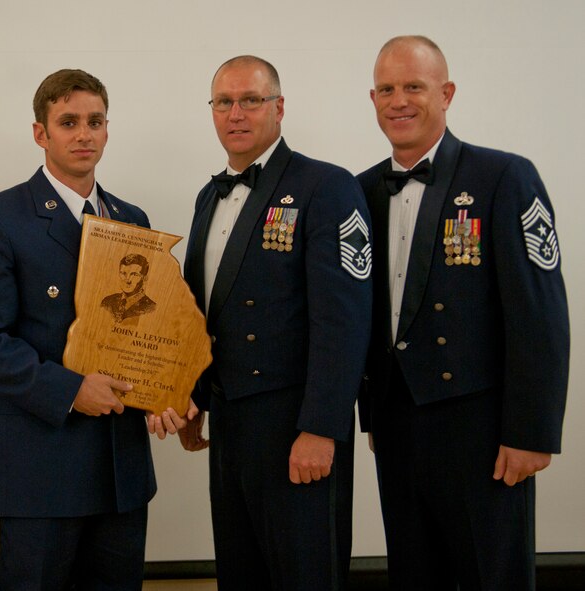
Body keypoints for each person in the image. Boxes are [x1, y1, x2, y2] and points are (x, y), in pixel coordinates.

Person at [0, 68, 190, 590]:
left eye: (94, 121)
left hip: (119, 471)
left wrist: (169, 391)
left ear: (108, 129)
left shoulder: (133, 218)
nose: (83, 134)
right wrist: (71, 389)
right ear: (41, 133)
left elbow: (149, 333)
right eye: (68, 122)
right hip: (42, 472)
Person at [358, 35, 569, 590]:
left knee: (490, 575)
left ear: (446, 93)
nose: (398, 100)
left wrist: (532, 431)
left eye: (414, 86)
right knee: (413, 573)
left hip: (482, 428)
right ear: (372, 99)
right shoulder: (360, 190)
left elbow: (540, 314)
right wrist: (370, 413)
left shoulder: (503, 177)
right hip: (397, 422)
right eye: (386, 89)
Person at [179, 55, 373, 590]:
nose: (235, 113)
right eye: (224, 102)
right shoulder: (208, 196)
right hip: (232, 421)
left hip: (296, 423)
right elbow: (202, 311)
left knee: (305, 572)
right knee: (242, 572)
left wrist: (322, 427)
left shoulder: (325, 186)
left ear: (279, 107)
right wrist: (193, 392)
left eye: (251, 100)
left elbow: (344, 321)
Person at [100, 253, 157, 324]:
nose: (128, 280)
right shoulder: (107, 302)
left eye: (134, 274)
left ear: (144, 278)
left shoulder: (151, 308)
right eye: (123, 273)